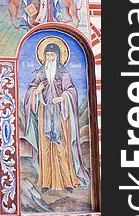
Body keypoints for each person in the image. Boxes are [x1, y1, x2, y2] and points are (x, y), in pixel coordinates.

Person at [23, 39, 90, 192]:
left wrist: (63, 97)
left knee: (62, 145)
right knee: (45, 146)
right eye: (47, 55)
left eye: (52, 55)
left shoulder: (64, 73)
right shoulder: (41, 72)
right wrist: (36, 91)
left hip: (61, 113)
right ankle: (46, 181)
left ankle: (67, 180)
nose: (49, 58)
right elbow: (31, 90)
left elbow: (72, 90)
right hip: (44, 112)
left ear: (58, 56)